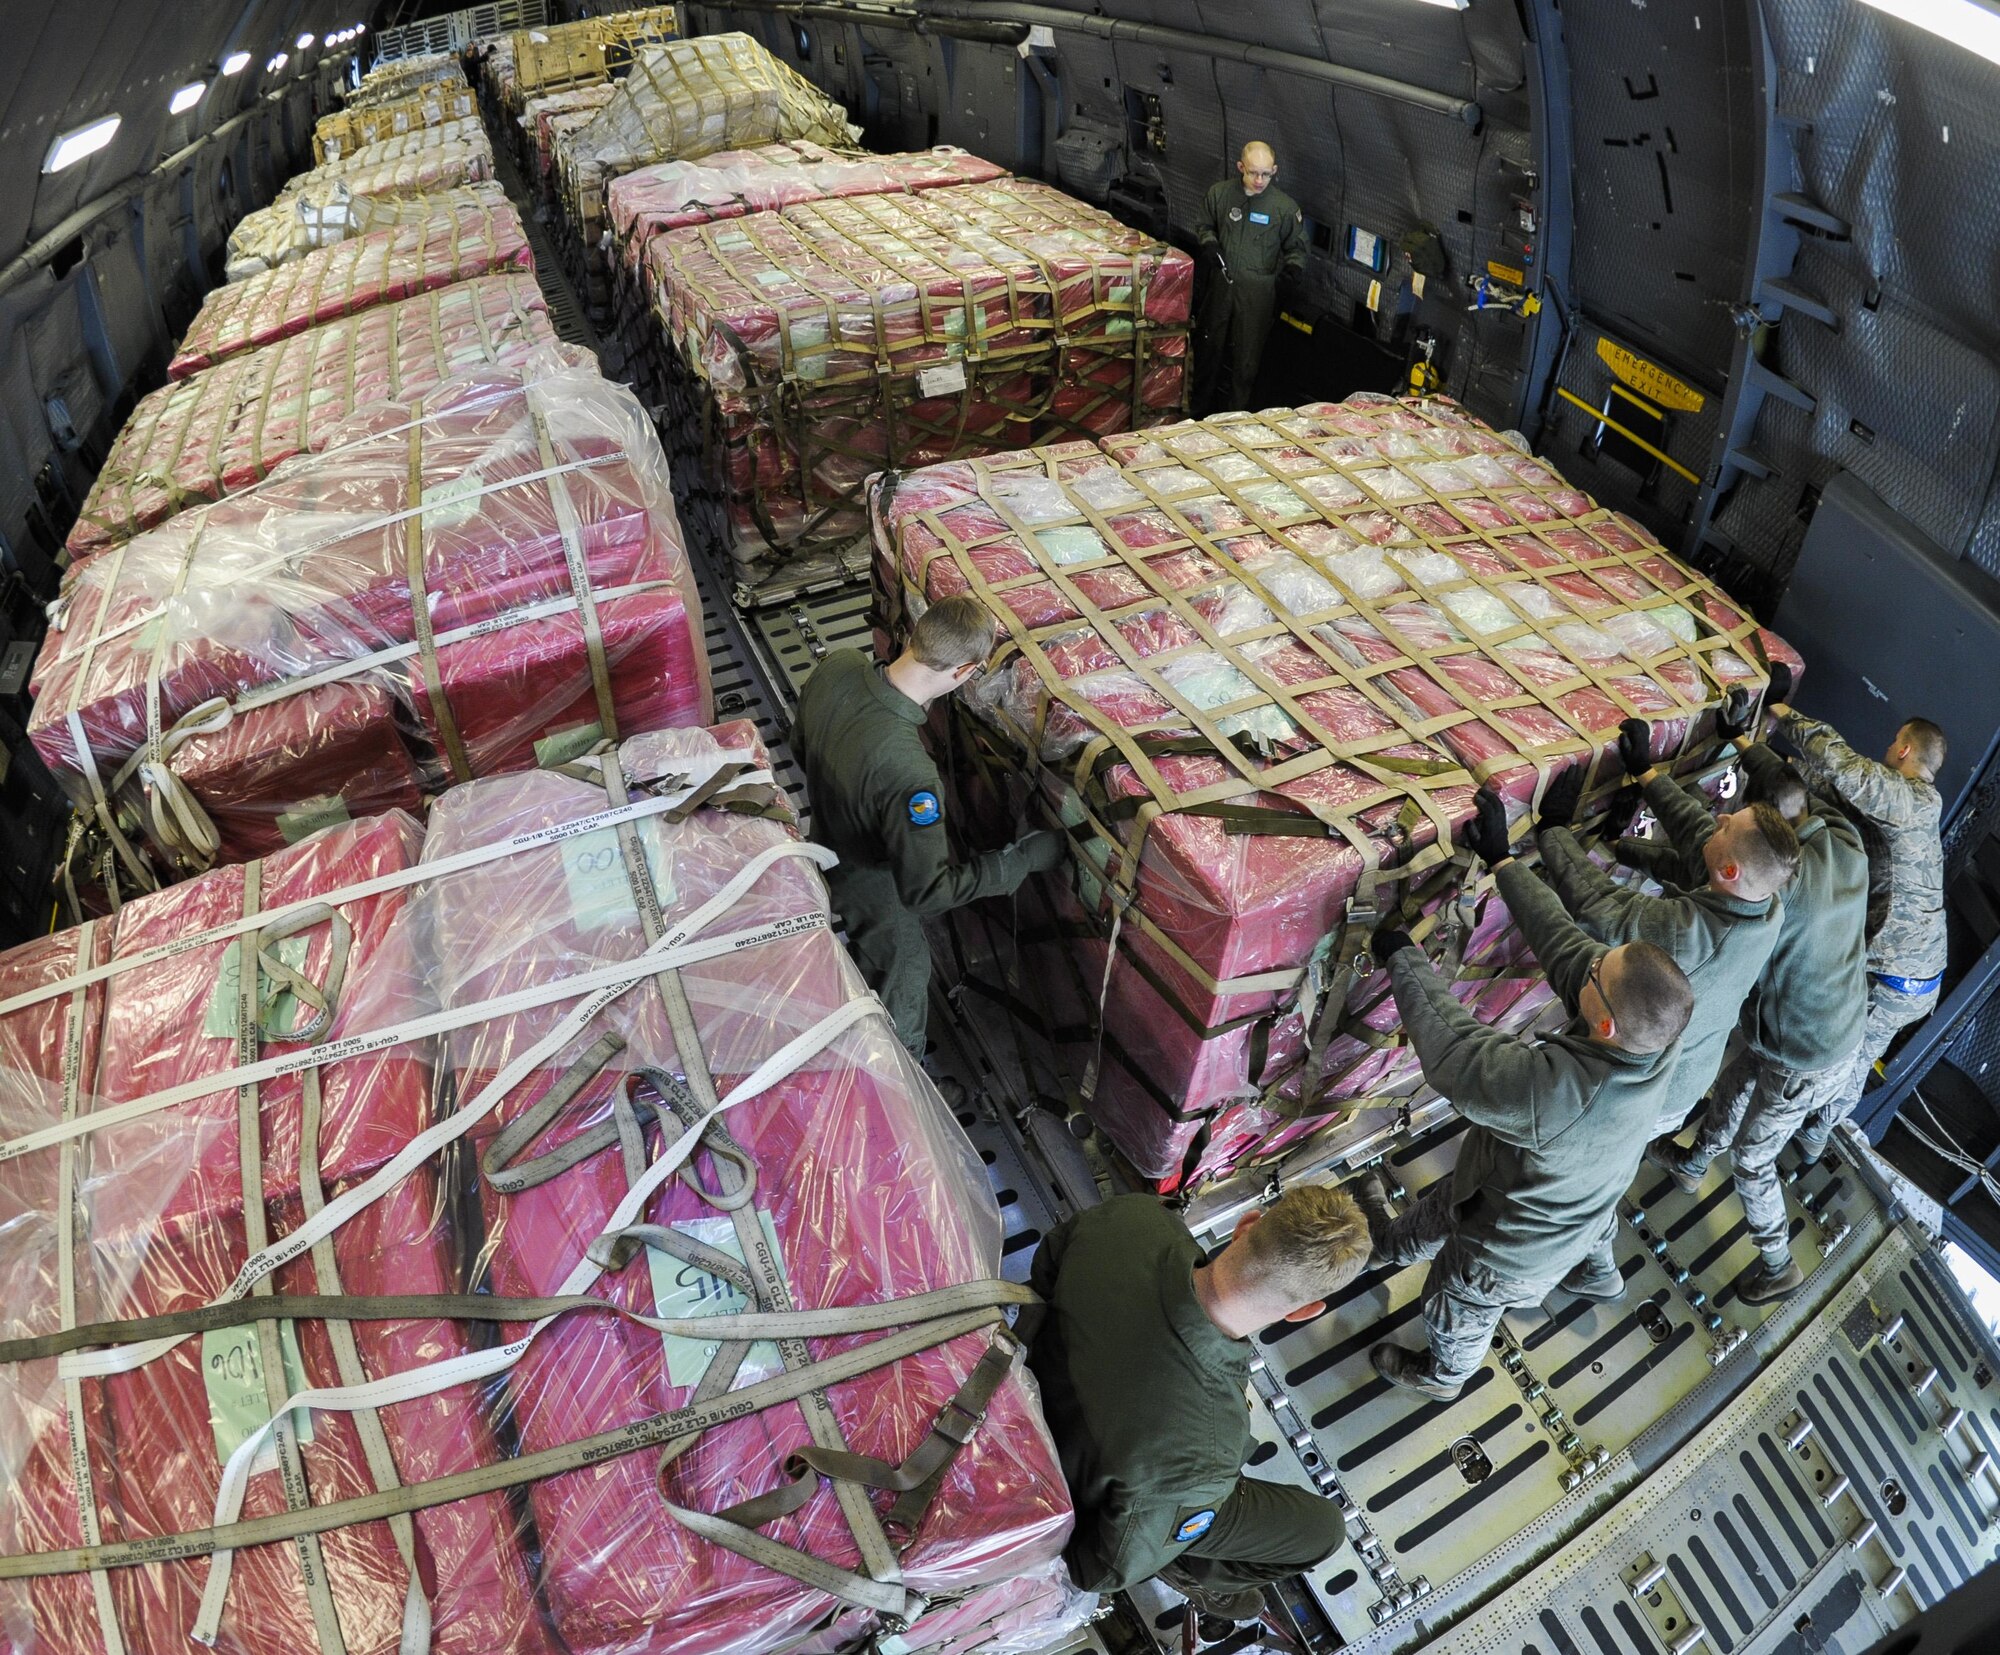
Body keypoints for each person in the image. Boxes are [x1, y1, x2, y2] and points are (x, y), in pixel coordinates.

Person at [1360, 788, 1695, 1400]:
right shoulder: (1658, 1033)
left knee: (1453, 1302)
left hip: (1504, 1258)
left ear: (1605, 1024)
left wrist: (1402, 957)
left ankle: (1442, 1376)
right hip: (1547, 1193)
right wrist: (1504, 860)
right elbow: (1569, 949)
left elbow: (1456, 1055)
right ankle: (1388, 1242)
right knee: (1446, 1204)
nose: (1588, 967)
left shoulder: (1560, 1097)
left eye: (1597, 975)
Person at [1027, 1185, 1369, 1628]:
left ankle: (1167, 1528)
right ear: (1304, 1312)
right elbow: (1101, 1571)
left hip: (1021, 1390)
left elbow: (1045, 1268)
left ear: (1245, 1225)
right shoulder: (1205, 1458)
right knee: (1324, 1530)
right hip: (1081, 1486)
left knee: (1175, 1497)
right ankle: (1183, 1563)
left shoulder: (1135, 1217)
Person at [1643, 693, 1871, 1302]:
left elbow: (1699, 859)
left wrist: (1644, 796)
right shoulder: (1844, 840)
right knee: (1738, 1080)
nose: (1728, 820)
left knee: (1752, 1158)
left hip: (1806, 1054)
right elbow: (1791, 792)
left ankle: (1778, 1263)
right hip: (1835, 1028)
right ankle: (1693, 1164)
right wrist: (1747, 742)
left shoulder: (1778, 897)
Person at [792, 595, 1065, 1065]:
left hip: (823, 834)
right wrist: (1020, 861)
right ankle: (903, 1081)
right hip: (870, 882)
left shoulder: (840, 664)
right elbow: (926, 895)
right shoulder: (911, 776)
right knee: (905, 970)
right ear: (963, 672)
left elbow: (800, 745)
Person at [1527, 720, 1798, 1139]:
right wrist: (1647, 772)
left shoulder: (1693, 940)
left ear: (1731, 870)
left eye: (1728, 825)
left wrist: (1553, 831)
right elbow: (1698, 841)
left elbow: (1601, 905)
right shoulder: (1765, 904)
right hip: (1688, 1077)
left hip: (1651, 1102)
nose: (1720, 817)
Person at [1763, 663, 1947, 1163]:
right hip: (1914, 977)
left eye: (1893, 744)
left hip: (1894, 976)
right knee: (1856, 1059)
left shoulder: (1912, 800)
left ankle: (1781, 1135)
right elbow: (1834, 790)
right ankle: (1817, 1136)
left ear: (1905, 748)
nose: (1888, 751)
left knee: (1839, 1060)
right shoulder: (1906, 808)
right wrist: (1764, 755)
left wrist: (1779, 710)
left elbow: (1844, 767)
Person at [1194, 142, 1306, 415]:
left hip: (1257, 292)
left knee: (1246, 362)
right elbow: (1204, 224)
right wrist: (1208, 243)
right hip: (1221, 284)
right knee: (1209, 350)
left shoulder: (1284, 208)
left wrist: (1292, 272)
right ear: (1240, 167)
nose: (1259, 180)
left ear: (1274, 171)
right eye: (1253, 173)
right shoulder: (1220, 195)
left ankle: (1235, 419)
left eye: (1266, 174)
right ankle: (1197, 413)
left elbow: (1297, 249)